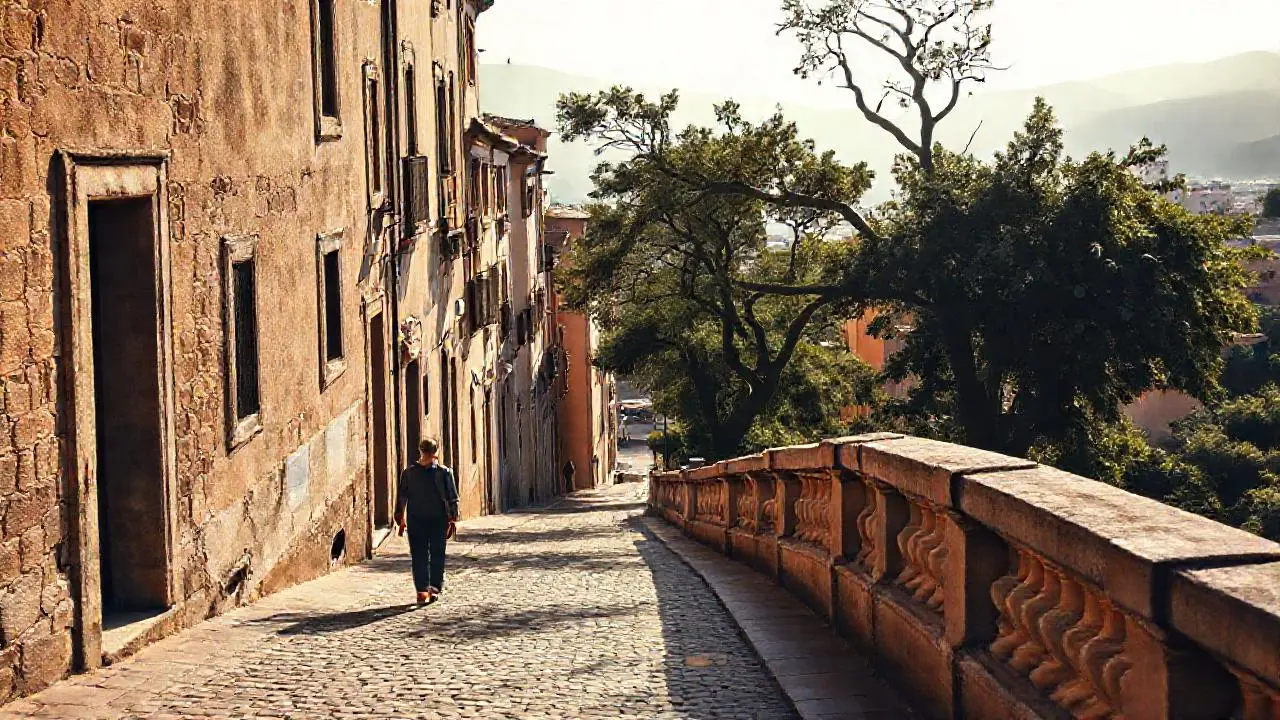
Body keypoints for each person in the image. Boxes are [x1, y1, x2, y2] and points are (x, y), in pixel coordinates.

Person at [395, 438, 459, 605]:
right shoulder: (441, 472)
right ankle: (429, 588)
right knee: (432, 554)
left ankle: (425, 589)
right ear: (435, 452)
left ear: (421, 451)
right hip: (431, 520)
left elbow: (402, 497)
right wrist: (453, 518)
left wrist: (400, 516)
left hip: (424, 519)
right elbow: (453, 498)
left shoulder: (411, 473)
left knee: (423, 555)